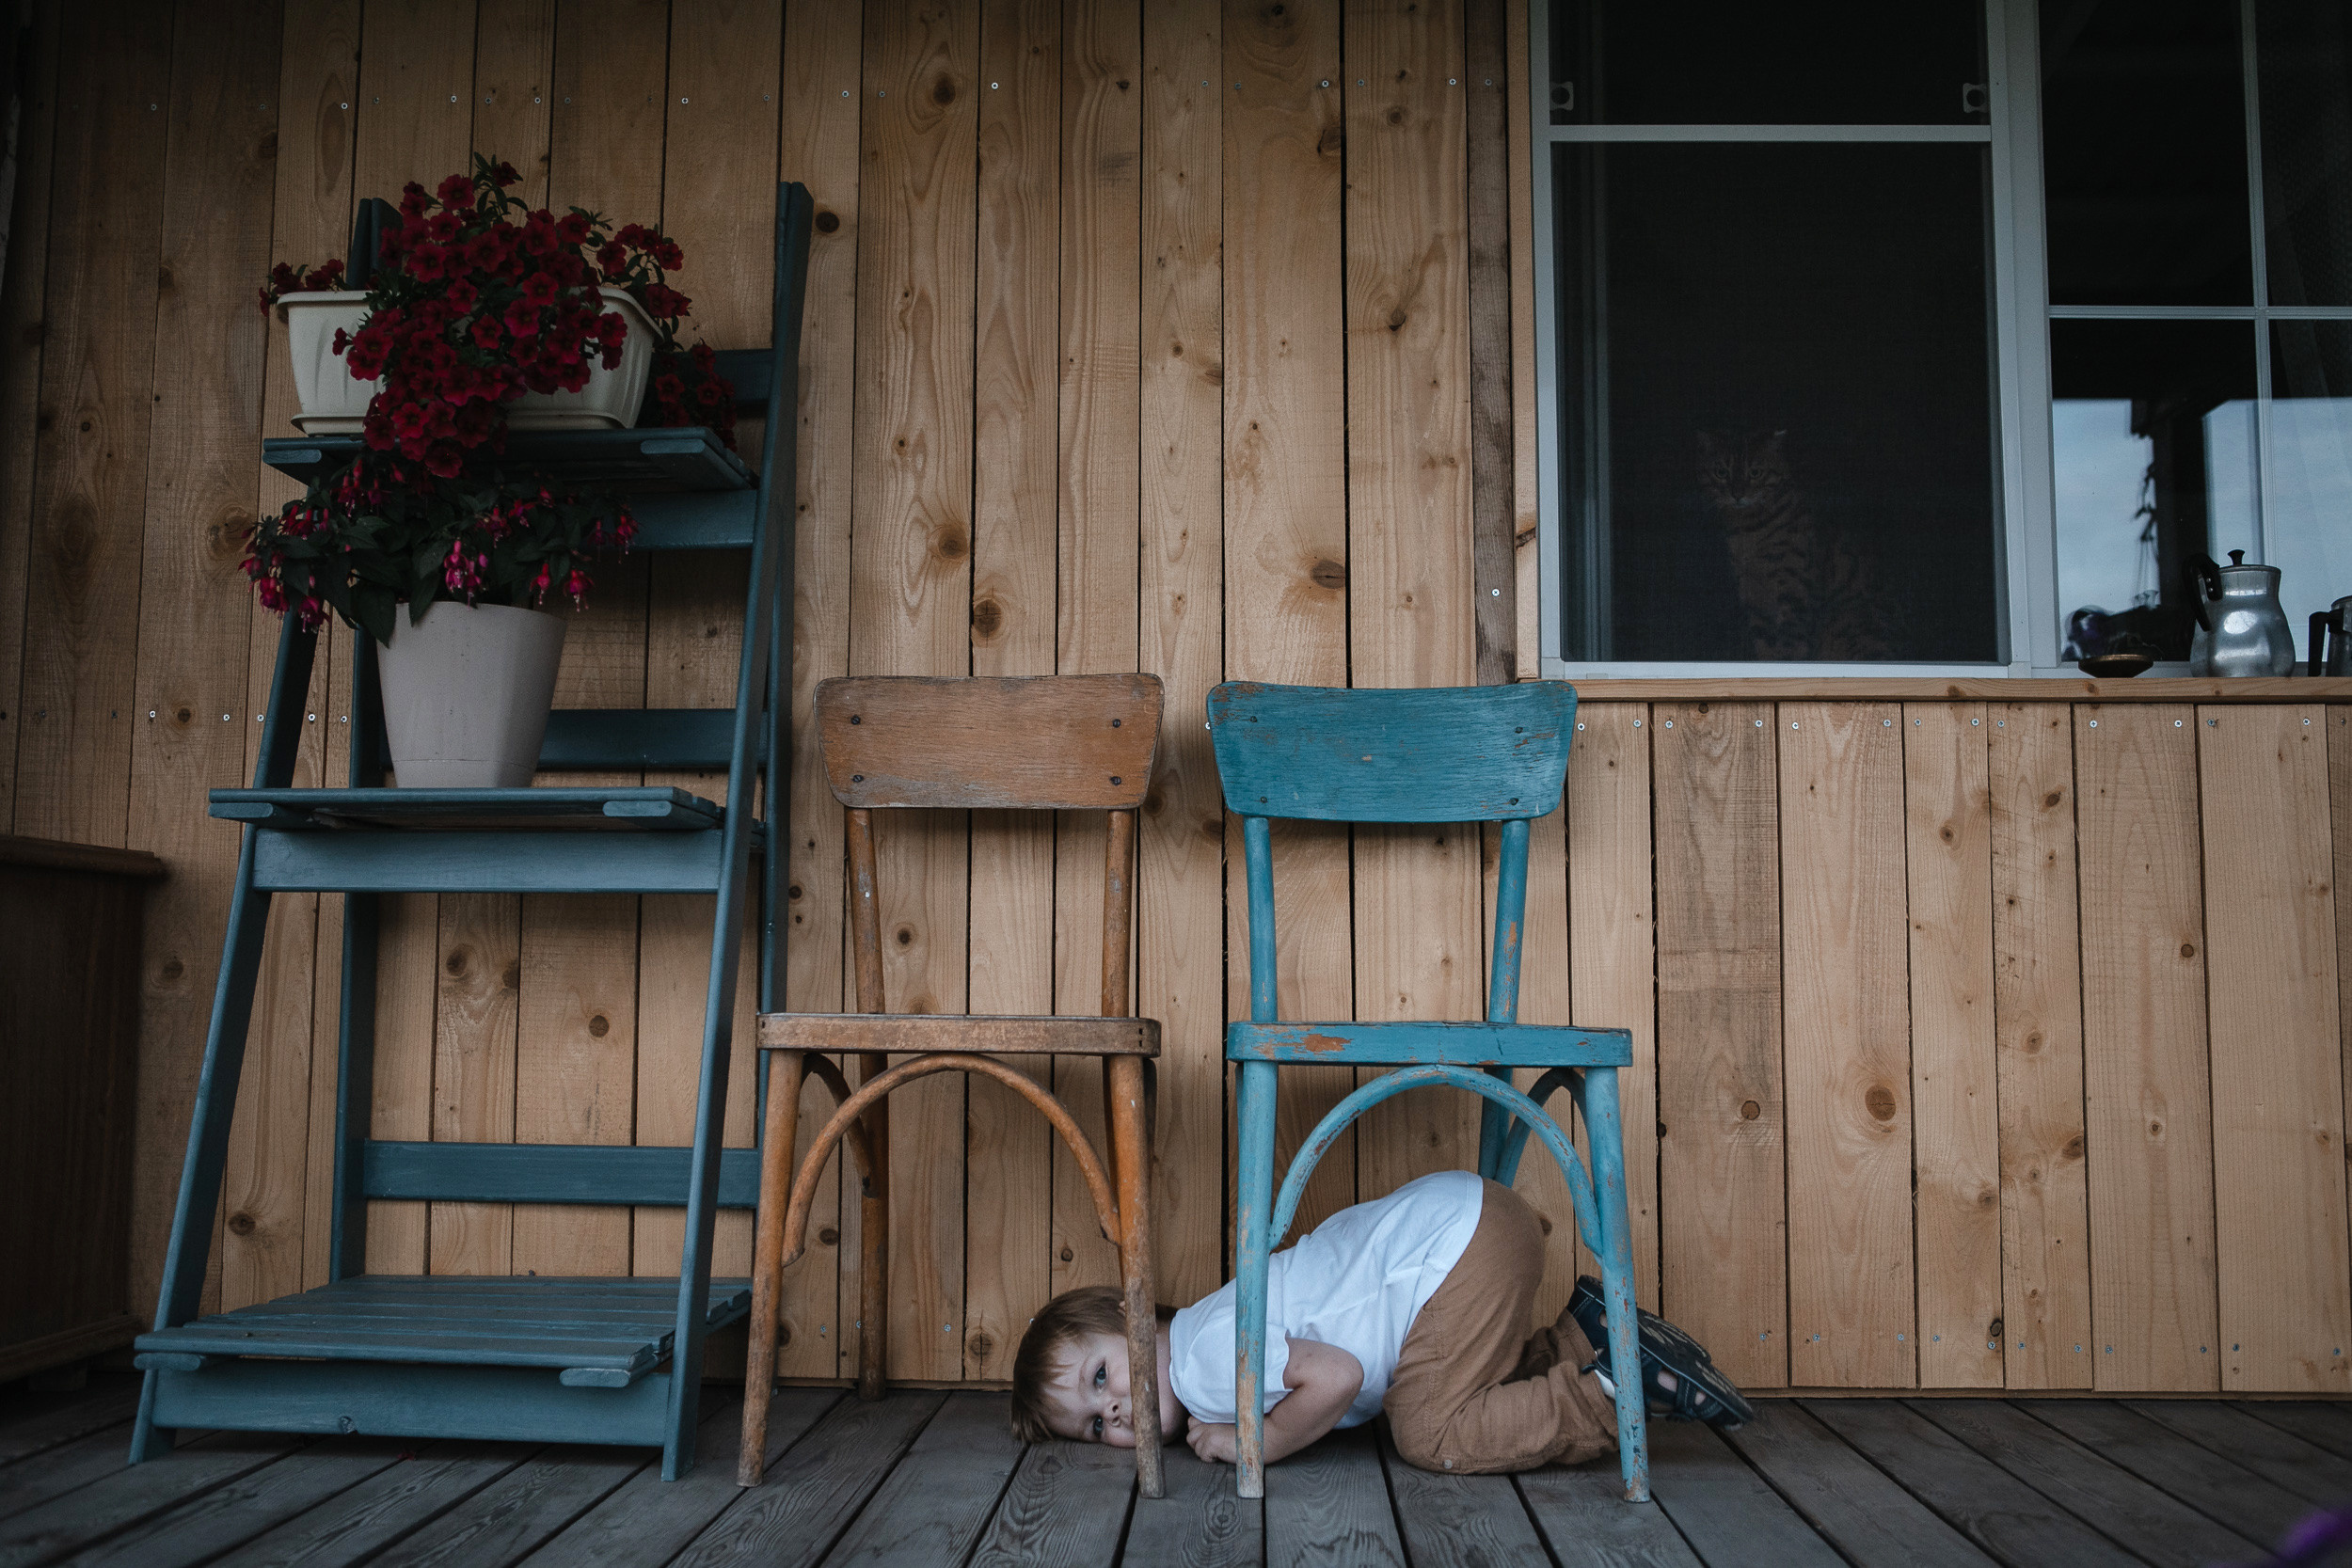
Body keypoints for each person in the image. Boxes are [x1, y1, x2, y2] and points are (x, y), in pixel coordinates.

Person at [1006, 1169, 1751, 1473]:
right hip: (1468, 1225)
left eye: (1100, 1376)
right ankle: (1586, 1336)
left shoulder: (1199, 1363)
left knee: (1429, 1431)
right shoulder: (1206, 1325)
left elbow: (1338, 1375)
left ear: (1135, 1319)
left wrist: (1256, 1442)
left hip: (1454, 1254)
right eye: (1095, 1425)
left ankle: (1617, 1393)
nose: (1114, 1409)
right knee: (1450, 1386)